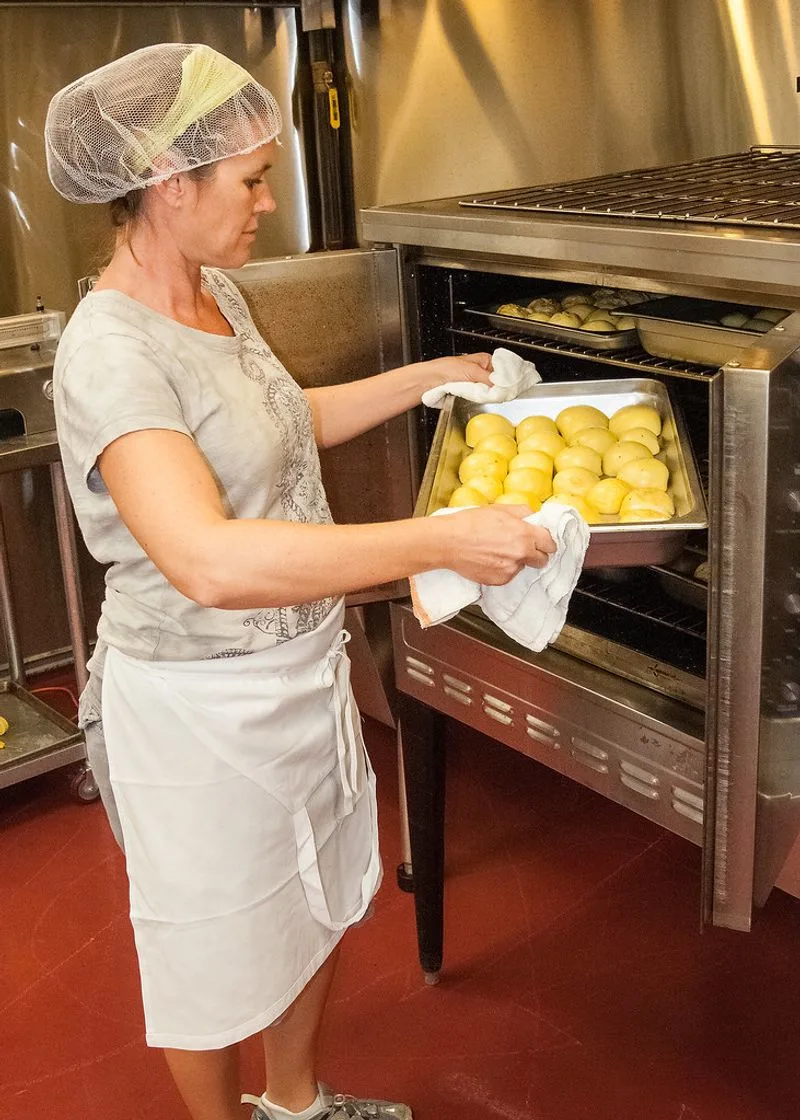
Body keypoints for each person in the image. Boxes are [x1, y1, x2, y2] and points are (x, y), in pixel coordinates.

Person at [44, 43, 555, 1120]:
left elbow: (284, 425)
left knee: (314, 902)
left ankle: (296, 1103)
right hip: (197, 710)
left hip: (298, 669)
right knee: (213, 952)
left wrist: (429, 378)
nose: (267, 203)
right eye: (249, 181)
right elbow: (207, 557)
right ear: (167, 183)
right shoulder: (110, 354)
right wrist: (436, 540)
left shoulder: (217, 294)